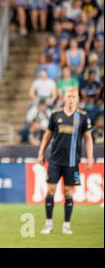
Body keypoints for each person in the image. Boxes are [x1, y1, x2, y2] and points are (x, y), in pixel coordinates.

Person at [38, 87, 94, 235]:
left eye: (74, 97)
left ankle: (66, 225)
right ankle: (48, 223)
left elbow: (88, 139)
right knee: (50, 190)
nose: (71, 99)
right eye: (68, 96)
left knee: (68, 193)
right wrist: (41, 152)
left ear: (78, 99)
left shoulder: (83, 116)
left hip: (72, 162)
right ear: (64, 98)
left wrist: (90, 157)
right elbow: (48, 135)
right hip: (55, 161)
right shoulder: (56, 115)